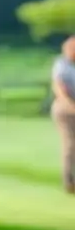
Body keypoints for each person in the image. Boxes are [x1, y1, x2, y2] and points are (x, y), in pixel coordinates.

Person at [50, 36, 75, 194]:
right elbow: (59, 88)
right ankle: (69, 181)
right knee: (70, 144)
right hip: (65, 110)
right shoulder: (61, 65)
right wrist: (71, 105)